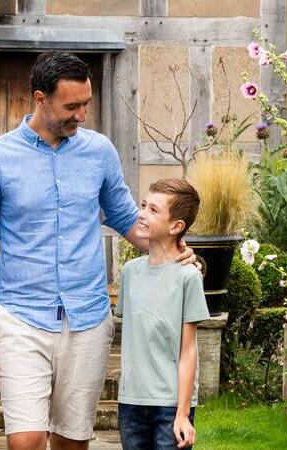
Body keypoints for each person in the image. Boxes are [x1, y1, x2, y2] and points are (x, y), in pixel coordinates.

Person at [0, 51, 194, 450]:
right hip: (22, 318)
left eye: (86, 104)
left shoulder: (99, 152)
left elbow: (124, 217)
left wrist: (173, 248)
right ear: (40, 98)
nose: (81, 115)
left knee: (72, 440)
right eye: (71, 106)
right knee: (26, 440)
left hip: (87, 318)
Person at [114, 179, 210, 450]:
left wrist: (182, 414)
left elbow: (188, 351)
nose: (142, 214)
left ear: (176, 226)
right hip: (131, 403)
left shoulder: (188, 277)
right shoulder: (130, 273)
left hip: (170, 406)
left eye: (153, 210)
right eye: (143, 205)